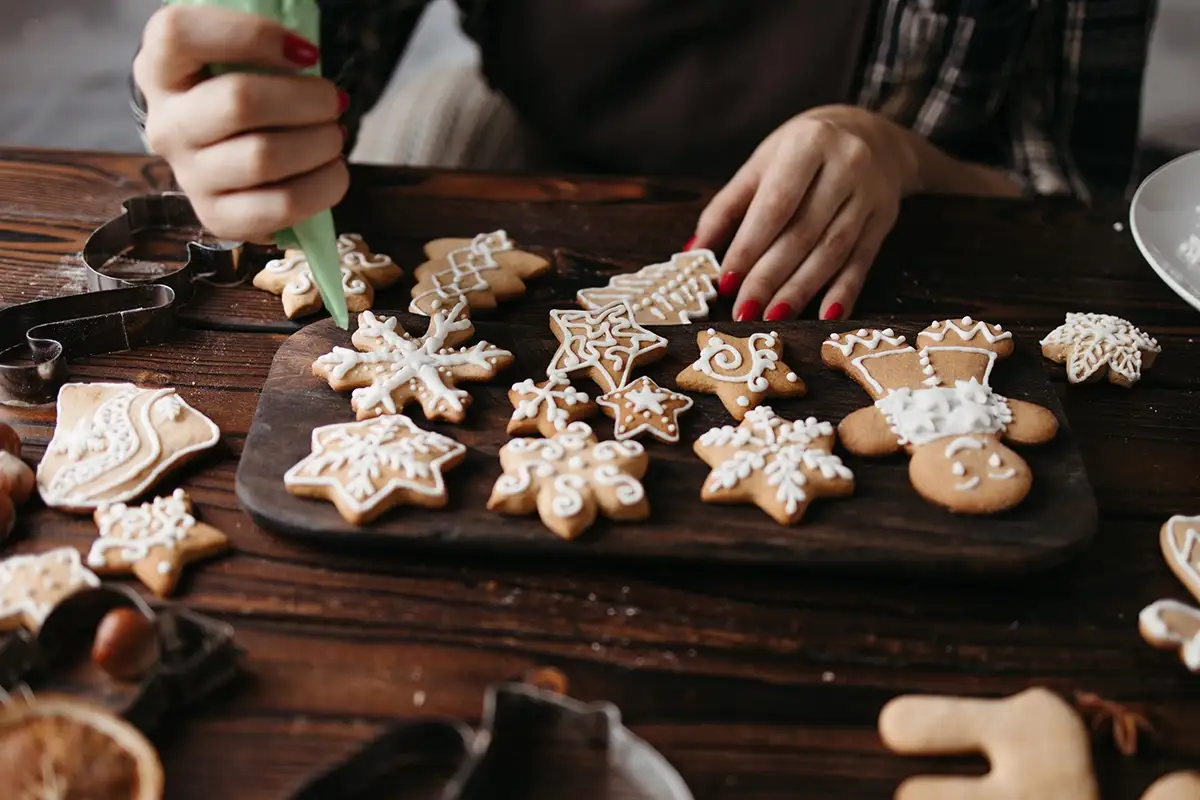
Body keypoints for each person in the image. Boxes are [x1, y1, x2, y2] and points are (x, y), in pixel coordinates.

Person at [130, 1, 1155, 322]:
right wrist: (218, 107)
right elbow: (307, 46)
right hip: (538, 129)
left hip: (911, 200)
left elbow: (1070, 203)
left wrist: (895, 153)